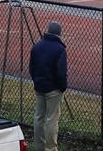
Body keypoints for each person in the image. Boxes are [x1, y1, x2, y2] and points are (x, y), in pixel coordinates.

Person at [29, 22, 67, 151]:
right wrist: (62, 87)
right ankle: (50, 148)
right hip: (53, 89)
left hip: (39, 86)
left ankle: (39, 146)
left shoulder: (37, 46)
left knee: (39, 117)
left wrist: (36, 81)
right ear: (59, 33)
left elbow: (32, 68)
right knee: (52, 119)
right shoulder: (60, 49)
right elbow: (61, 72)